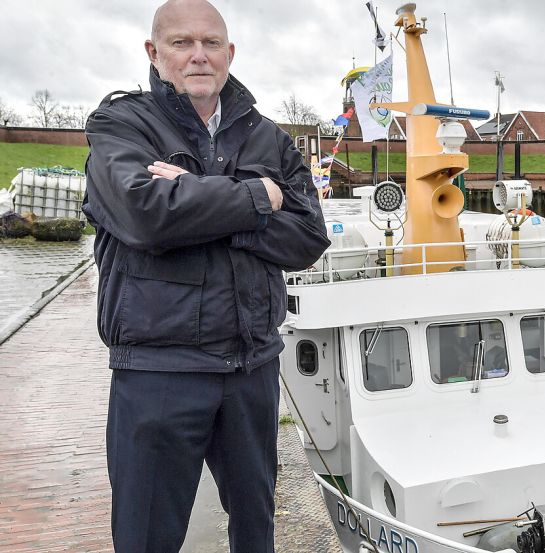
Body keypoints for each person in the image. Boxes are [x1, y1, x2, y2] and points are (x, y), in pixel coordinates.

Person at [82, 1, 330, 551]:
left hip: (252, 366)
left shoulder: (267, 136)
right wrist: (257, 198)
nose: (199, 55)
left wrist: (203, 206)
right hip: (158, 368)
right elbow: (144, 215)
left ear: (230, 52)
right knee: (147, 534)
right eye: (181, 43)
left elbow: (309, 237)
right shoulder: (122, 125)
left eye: (211, 43)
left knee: (255, 528)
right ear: (154, 51)